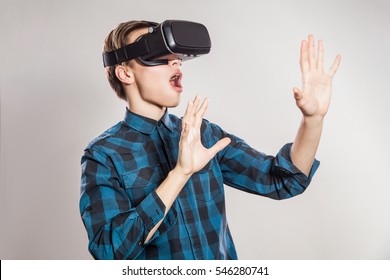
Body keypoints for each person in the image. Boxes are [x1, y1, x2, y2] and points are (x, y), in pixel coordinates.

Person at [79, 20, 341, 260]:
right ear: (125, 73)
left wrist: (313, 120)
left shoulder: (203, 135)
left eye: (177, 57)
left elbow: (284, 181)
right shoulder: (103, 155)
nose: (175, 62)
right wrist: (180, 174)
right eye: (157, 55)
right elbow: (109, 251)